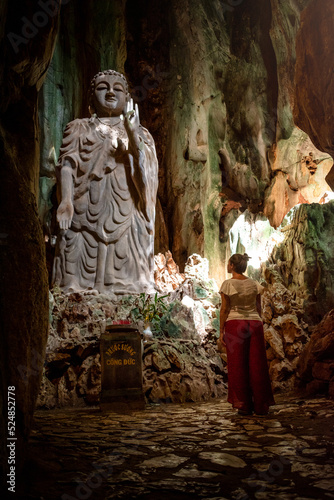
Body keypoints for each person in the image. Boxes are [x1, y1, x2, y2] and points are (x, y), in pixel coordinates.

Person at [52, 70, 158, 294]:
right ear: (92, 97)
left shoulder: (141, 133)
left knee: (127, 250)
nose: (110, 91)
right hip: (84, 205)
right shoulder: (79, 127)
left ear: (127, 98)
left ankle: (125, 288)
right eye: (103, 87)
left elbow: (146, 174)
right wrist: (67, 201)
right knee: (76, 245)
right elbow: (68, 165)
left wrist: (132, 136)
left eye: (117, 89)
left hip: (125, 209)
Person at [218, 253, 275, 415]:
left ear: (231, 266)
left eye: (229, 263)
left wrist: (221, 331)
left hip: (236, 324)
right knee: (257, 364)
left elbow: (224, 309)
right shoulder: (254, 284)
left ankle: (243, 404)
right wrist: (259, 322)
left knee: (238, 364)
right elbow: (258, 307)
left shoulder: (228, 284)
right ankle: (261, 404)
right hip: (255, 324)